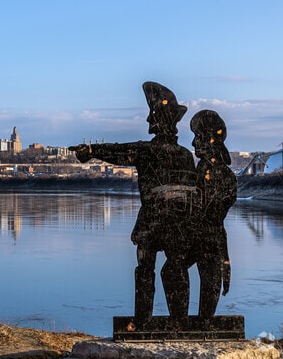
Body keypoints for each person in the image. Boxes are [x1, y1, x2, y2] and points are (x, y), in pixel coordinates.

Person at [70, 81, 196, 327]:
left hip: (153, 222)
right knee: (176, 269)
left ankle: (142, 320)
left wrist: (91, 150)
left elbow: (118, 152)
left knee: (145, 269)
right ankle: (179, 321)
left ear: (159, 120)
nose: (149, 121)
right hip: (179, 223)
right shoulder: (184, 155)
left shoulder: (147, 151)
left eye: (152, 116)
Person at [189, 110, 236, 323]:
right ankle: (185, 321)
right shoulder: (199, 171)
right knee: (171, 270)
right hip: (200, 237)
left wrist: (224, 260)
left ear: (210, 138)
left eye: (197, 136)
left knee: (210, 285)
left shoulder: (224, 177)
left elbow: (214, 221)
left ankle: (202, 324)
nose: (193, 142)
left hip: (206, 240)